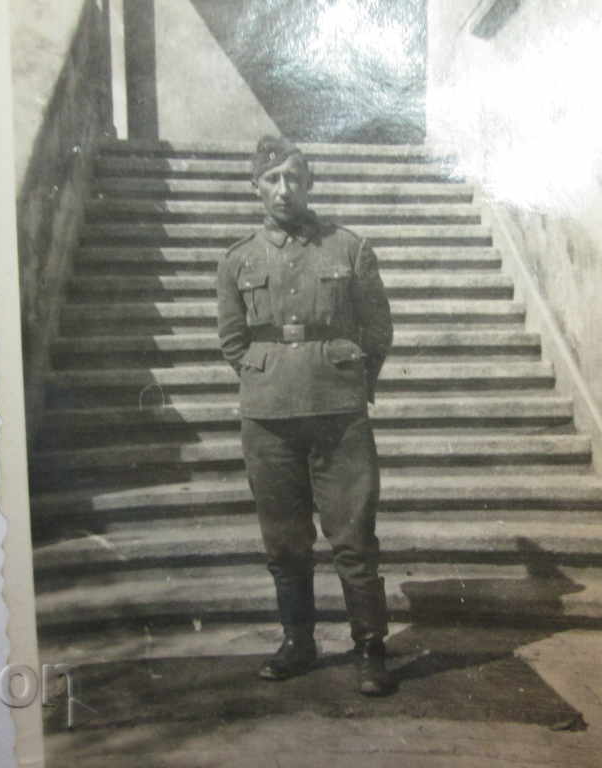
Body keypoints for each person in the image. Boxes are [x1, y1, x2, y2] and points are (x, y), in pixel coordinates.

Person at [216, 136, 394, 696]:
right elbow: (232, 341)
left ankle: (370, 649)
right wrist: (267, 375)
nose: (283, 189)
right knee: (284, 541)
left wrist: (352, 380)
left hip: (338, 413)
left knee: (353, 537)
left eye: (293, 178)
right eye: (271, 179)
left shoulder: (349, 248)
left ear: (309, 183)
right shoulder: (238, 259)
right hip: (268, 418)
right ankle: (298, 643)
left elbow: (378, 329)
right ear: (255, 187)